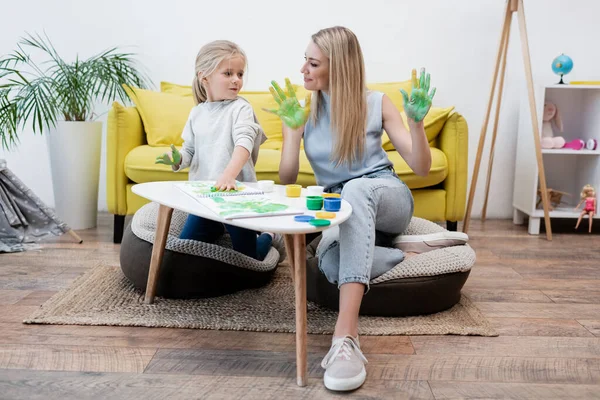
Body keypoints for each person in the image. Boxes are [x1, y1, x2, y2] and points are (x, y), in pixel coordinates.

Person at [266, 26, 468, 391]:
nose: (303, 70)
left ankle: (345, 339)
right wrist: (292, 133)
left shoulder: (376, 103)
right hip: (344, 211)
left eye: (313, 63)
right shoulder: (305, 109)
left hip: (387, 198)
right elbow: (287, 176)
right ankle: (404, 254)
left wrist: (417, 124)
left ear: (338, 67)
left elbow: (421, 166)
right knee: (327, 262)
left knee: (356, 188)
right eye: (305, 61)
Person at [155, 40, 276, 261]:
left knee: (250, 258)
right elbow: (189, 152)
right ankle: (218, 228)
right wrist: (177, 159)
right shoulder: (197, 113)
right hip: (204, 199)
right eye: (228, 73)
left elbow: (244, 144)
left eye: (240, 74)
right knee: (183, 252)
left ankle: (267, 235)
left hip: (237, 199)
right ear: (205, 77)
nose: (236, 80)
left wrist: (229, 175)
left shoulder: (241, 108)